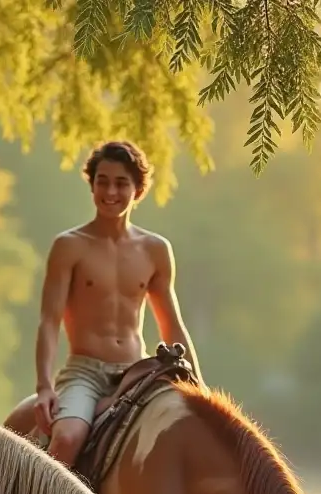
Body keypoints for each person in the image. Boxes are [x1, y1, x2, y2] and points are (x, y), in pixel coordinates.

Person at [33, 140, 203, 467]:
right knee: (67, 438)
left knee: (187, 433)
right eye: (103, 181)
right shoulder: (69, 246)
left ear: (137, 190)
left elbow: (171, 324)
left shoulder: (155, 249)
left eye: (121, 183)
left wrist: (197, 384)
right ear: (92, 184)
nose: (111, 191)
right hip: (86, 373)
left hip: (137, 371)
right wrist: (43, 386)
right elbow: (49, 322)